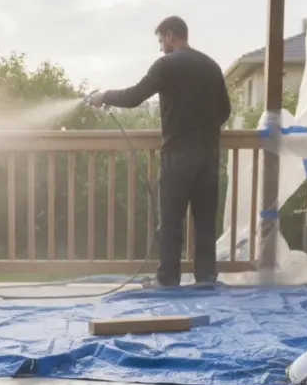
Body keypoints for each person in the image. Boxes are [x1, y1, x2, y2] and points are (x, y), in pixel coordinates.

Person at [88, 15, 231, 288]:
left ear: (169, 36)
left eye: (161, 41)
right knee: (204, 220)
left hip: (178, 155)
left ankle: (167, 279)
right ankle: (206, 279)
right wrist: (205, 131)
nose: (161, 47)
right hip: (209, 155)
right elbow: (225, 110)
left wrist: (104, 96)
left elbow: (134, 96)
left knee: (171, 220)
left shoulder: (166, 66)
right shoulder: (211, 66)